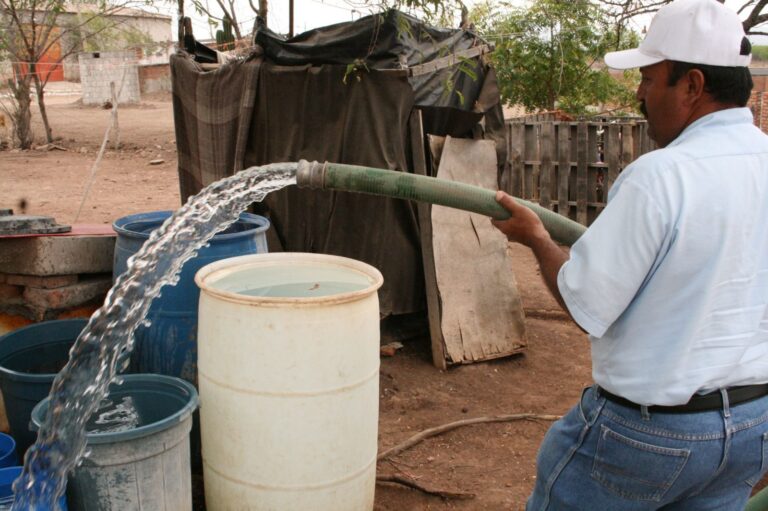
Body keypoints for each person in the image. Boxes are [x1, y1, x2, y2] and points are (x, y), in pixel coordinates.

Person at [491, 0, 768, 509]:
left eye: (648, 78)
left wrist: (536, 238)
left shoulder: (661, 175)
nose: (639, 93)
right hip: (753, 429)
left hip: (651, 437)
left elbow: (586, 304)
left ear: (692, 85)